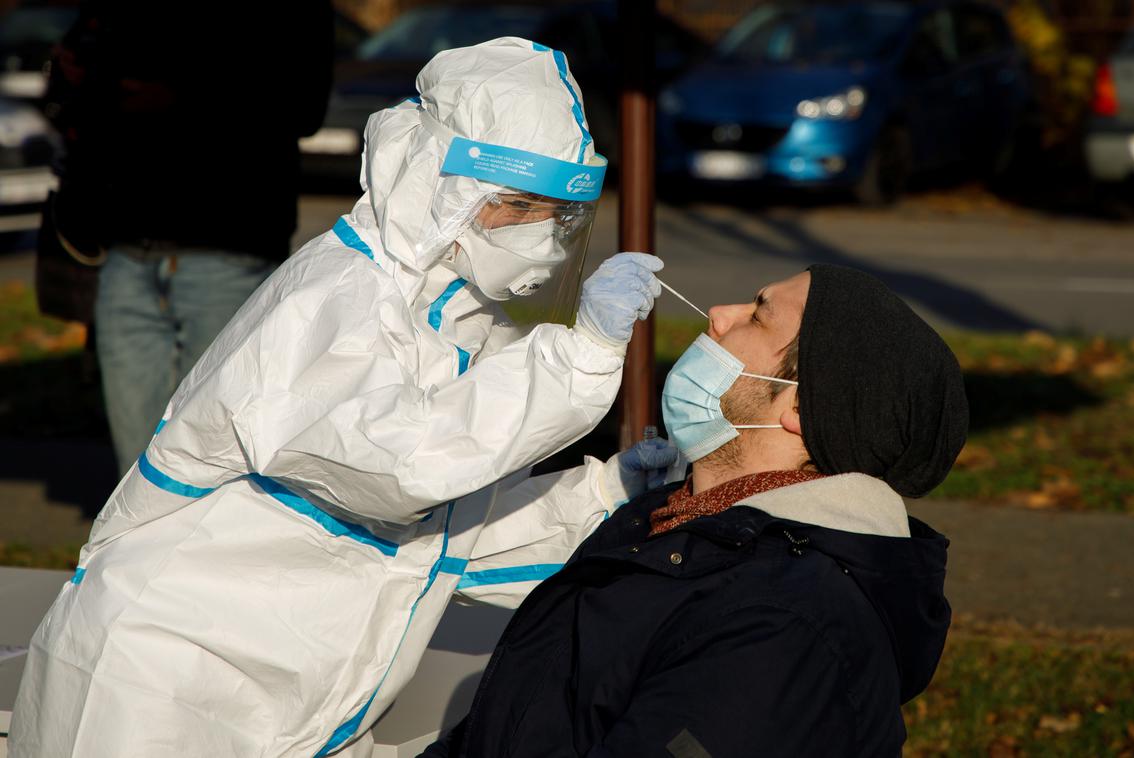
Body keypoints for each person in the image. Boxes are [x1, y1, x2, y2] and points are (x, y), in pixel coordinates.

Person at [10, 38, 672, 757]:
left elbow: (449, 542)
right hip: (158, 681)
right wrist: (578, 358)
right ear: (432, 181)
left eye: (559, 214)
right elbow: (398, 469)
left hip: (293, 705)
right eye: (517, 205)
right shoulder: (334, 298)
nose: (539, 234)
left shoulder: (463, 324)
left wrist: (609, 496)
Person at [419, 264, 970, 757]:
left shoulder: (783, 625)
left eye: (758, 314)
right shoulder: (674, 523)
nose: (719, 314)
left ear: (800, 407)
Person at [43, 0, 336, 474]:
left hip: (228, 245)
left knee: (216, 450)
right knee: (136, 468)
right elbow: (72, 82)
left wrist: (178, 97)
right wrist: (77, 76)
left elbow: (303, 105)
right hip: (126, 246)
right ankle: (133, 547)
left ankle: (212, 545)